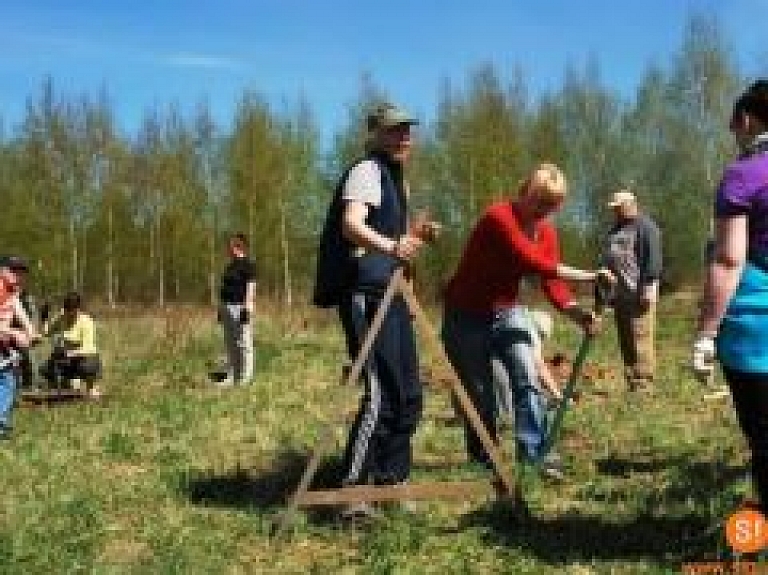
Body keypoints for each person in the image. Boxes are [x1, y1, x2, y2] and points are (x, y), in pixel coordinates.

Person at [441, 163, 611, 479]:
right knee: (480, 393)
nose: (542, 211)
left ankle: (535, 456)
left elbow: (553, 284)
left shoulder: (546, 231)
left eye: (551, 205)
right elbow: (532, 262)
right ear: (524, 192)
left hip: (508, 310)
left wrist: (578, 313)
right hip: (465, 314)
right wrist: (590, 276)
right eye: (539, 201)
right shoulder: (498, 217)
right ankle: (485, 461)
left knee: (528, 375)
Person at [313, 102, 436, 518]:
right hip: (365, 292)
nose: (404, 138)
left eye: (407, 131)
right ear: (375, 135)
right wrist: (393, 245)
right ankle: (355, 491)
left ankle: (392, 481)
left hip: (393, 292)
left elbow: (396, 242)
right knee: (382, 391)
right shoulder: (367, 171)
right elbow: (352, 223)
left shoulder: (396, 178)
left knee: (410, 393)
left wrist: (412, 239)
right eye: (394, 131)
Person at [693, 80, 768, 515]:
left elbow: (727, 260)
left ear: (750, 119)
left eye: (735, 121)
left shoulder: (745, 175)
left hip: (756, 331)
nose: (732, 129)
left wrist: (705, 334)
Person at [597, 189, 663, 391]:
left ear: (631, 204)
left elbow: (653, 259)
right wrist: (604, 295)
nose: (615, 212)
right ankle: (632, 380)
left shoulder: (646, 227)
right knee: (625, 338)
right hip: (620, 294)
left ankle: (644, 384)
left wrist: (649, 286)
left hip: (639, 291)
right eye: (614, 209)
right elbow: (608, 259)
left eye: (618, 208)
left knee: (640, 337)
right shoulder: (615, 230)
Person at [40, 291, 102, 397]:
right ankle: (68, 384)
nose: (68, 314)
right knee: (45, 369)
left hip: (83, 358)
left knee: (87, 366)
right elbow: (47, 333)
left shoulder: (86, 322)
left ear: (78, 309)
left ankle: (91, 388)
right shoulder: (61, 317)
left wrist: (70, 353)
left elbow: (89, 348)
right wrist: (44, 318)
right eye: (66, 310)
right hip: (66, 359)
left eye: (71, 311)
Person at [0, 266, 38, 438]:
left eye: (21, 272)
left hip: (3, 343)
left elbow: (19, 311)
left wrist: (31, 331)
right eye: (15, 271)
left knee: (8, 379)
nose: (19, 275)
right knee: (6, 380)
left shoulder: (12, 290)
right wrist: (14, 334)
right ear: (3, 270)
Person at [216, 233, 256, 387]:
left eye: (231, 245)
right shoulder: (230, 265)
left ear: (239, 246)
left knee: (244, 343)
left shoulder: (248, 265)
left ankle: (246, 378)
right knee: (230, 344)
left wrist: (246, 309)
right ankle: (232, 376)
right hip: (227, 306)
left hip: (241, 306)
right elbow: (224, 287)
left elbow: (251, 288)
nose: (228, 248)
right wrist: (221, 309)